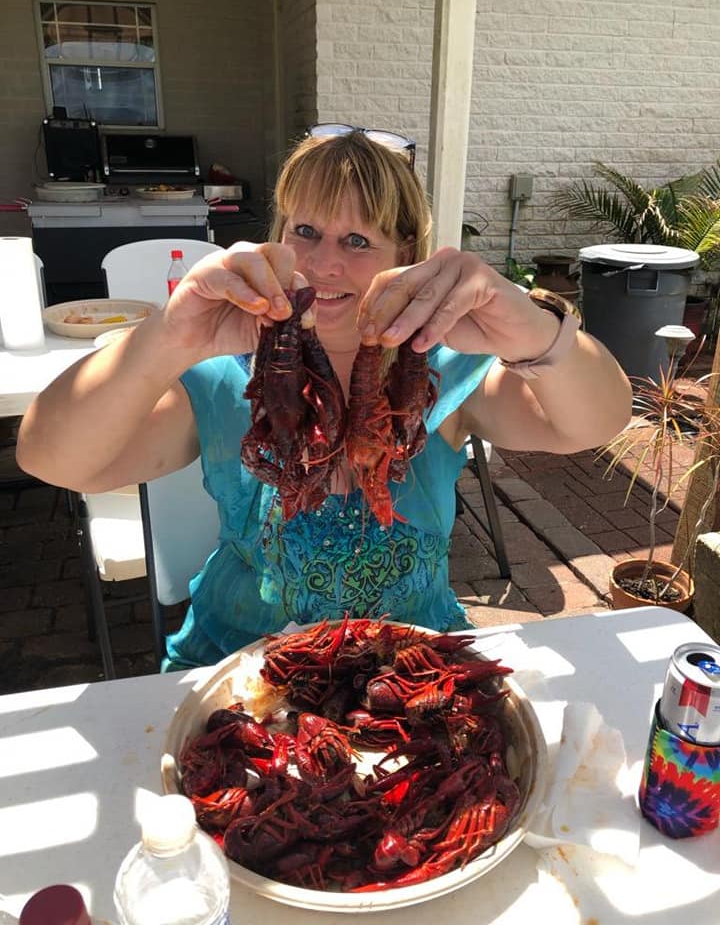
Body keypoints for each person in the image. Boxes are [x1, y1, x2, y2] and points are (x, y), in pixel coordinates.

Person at [17, 126, 632, 670]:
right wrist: (171, 336)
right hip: (239, 663)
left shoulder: (445, 368)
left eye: (358, 241)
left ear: (406, 257)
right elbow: (52, 458)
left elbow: (594, 423)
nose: (323, 264)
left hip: (410, 663)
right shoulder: (222, 375)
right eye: (305, 231)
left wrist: (535, 331)